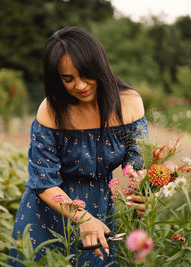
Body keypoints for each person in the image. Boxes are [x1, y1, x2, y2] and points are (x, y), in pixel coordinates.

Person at [9, 26, 149, 266]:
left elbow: (135, 162)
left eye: (86, 74)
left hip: (100, 208)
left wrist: (144, 192)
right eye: (68, 79)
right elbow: (43, 181)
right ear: (57, 79)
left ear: (99, 66)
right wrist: (82, 218)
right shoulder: (50, 111)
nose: (81, 85)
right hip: (48, 214)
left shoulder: (128, 104)